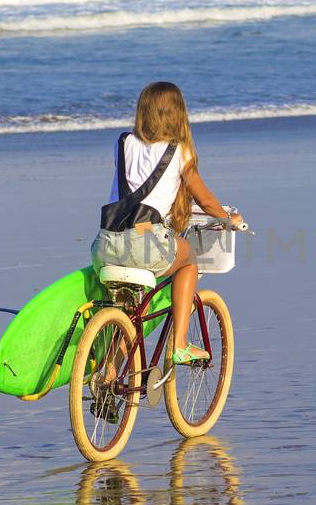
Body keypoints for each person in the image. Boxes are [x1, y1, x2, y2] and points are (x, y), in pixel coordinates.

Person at [91, 81, 245, 365]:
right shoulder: (181, 152)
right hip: (145, 239)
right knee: (189, 259)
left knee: (131, 312)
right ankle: (181, 344)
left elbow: (135, 186)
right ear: (177, 113)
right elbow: (207, 202)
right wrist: (229, 219)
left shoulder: (122, 143)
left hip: (105, 243)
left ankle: (109, 370)